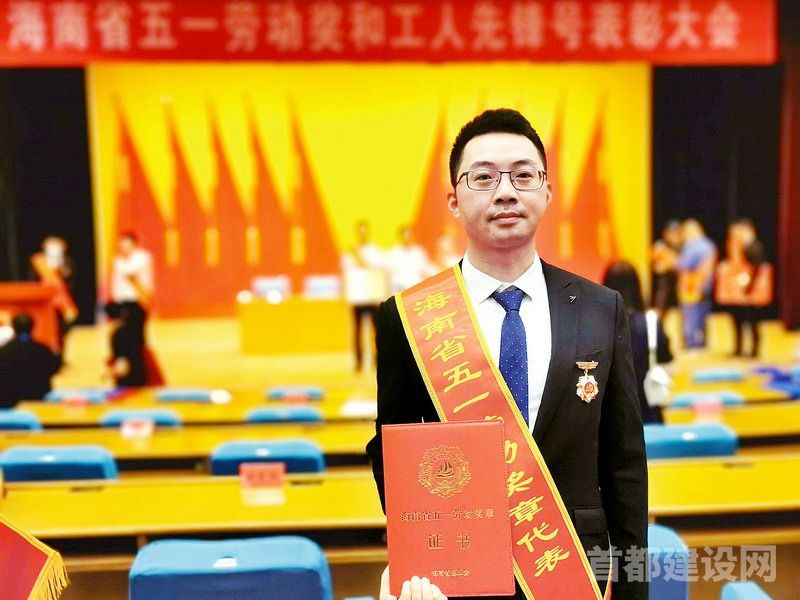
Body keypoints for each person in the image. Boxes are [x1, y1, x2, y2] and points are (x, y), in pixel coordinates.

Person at [367, 109, 647, 600]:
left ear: (547, 191)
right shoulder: (407, 318)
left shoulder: (601, 309)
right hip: (457, 573)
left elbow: (623, 463)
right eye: (483, 178)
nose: (505, 192)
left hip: (576, 568)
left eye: (523, 175)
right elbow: (393, 452)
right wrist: (416, 558)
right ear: (454, 200)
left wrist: (632, 589)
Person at [602, 261, 673, 423]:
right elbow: (666, 359)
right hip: (647, 407)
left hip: (608, 411)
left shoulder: (597, 323)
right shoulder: (650, 322)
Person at [715, 220, 773, 357]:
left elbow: (757, 269)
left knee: (752, 321)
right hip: (737, 290)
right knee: (737, 320)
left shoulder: (754, 247)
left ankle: (754, 350)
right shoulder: (736, 245)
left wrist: (749, 287)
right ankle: (739, 348)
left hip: (749, 290)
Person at [341, 220, 389, 371]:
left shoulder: (376, 251)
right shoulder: (349, 253)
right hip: (358, 296)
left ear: (368, 232)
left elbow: (379, 269)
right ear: (357, 233)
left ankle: (377, 360)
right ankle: (359, 362)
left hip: (373, 296)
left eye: (364, 231)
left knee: (376, 330)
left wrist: (361, 259)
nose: (363, 234)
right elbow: (348, 272)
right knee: (357, 330)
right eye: (360, 231)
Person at [30, 236, 78, 355]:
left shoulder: (67, 261)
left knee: (63, 329)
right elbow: (33, 281)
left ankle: (60, 353)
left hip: (63, 300)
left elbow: (72, 280)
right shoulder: (38, 261)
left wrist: (60, 269)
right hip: (45, 301)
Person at [0, 314, 61, 407]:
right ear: (33, 327)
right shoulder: (43, 350)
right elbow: (54, 368)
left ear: (13, 327)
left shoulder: (4, 351)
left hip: (9, 397)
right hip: (39, 396)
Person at [677, 219, 717, 350]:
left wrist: (671, 259)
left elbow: (684, 265)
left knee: (691, 316)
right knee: (703, 315)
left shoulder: (691, 247)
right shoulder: (709, 245)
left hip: (691, 287)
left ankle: (691, 343)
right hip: (706, 286)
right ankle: (702, 342)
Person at [110, 231, 154, 344]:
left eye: (126, 245)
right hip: (123, 301)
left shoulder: (142, 257)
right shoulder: (118, 260)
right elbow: (116, 282)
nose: (123, 248)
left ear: (134, 244)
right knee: (124, 332)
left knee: (137, 332)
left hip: (138, 300)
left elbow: (129, 271)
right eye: (121, 245)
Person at [387, 225, 436, 294]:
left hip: (415, 291)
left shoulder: (419, 252)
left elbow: (427, 269)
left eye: (409, 236)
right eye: (405, 237)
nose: (407, 239)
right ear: (400, 237)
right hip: (399, 290)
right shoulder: (393, 252)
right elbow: (388, 272)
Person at [650, 220, 681, 316]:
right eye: (671, 233)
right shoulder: (660, 245)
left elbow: (678, 262)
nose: (674, 236)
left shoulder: (680, 247)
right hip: (663, 279)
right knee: (662, 296)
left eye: (676, 233)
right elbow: (656, 261)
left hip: (676, 278)